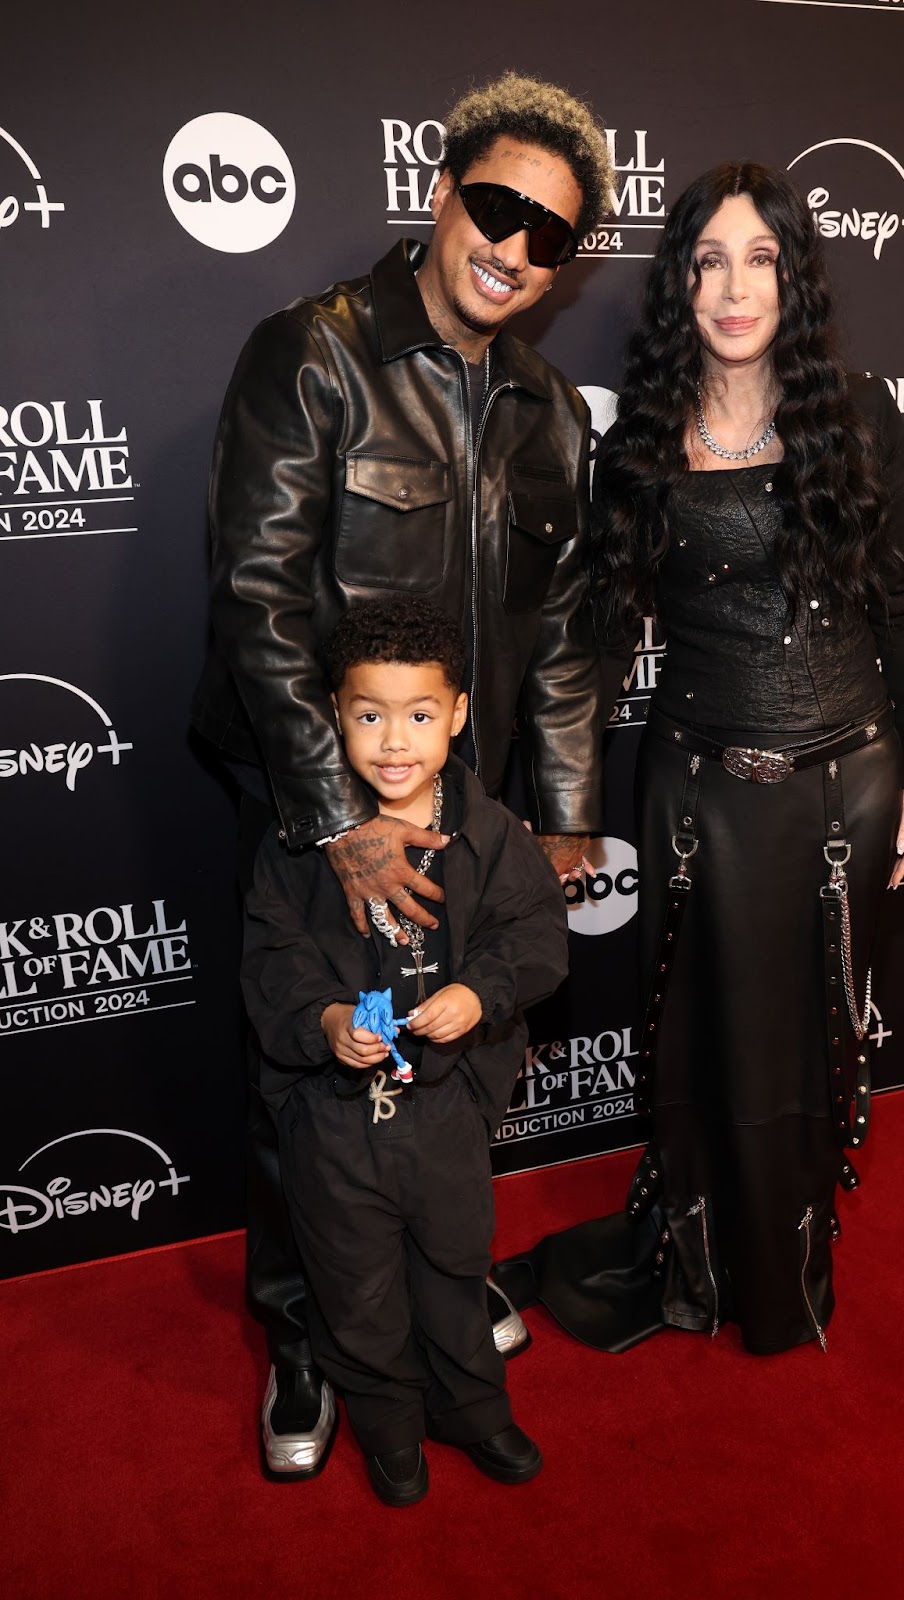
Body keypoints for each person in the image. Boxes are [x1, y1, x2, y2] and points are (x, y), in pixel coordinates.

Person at [189, 71, 616, 1478]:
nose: (513, 247)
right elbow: (255, 599)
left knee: (447, 1056)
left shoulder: (553, 411)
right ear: (438, 193)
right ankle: (308, 1332)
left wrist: (554, 812)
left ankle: (429, 1289)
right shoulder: (313, 355)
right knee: (308, 1081)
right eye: (496, 207)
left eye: (550, 237)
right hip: (318, 798)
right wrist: (331, 820)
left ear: (566, 267)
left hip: (463, 814)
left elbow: (562, 637)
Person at [502, 162, 904, 1356]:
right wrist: (561, 797)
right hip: (696, 789)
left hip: (845, 781)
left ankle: (782, 1269)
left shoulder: (854, 412)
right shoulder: (639, 440)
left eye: (760, 259)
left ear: (792, 278)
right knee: (698, 1038)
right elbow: (588, 637)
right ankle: (699, 1259)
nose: (734, 287)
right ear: (679, 285)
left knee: (808, 1038)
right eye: (708, 262)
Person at [242, 597, 569, 1505]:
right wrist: (327, 1023)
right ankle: (387, 1425)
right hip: (333, 1126)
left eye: (420, 715)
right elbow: (272, 963)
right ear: (333, 714)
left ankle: (471, 1407)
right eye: (369, 715)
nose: (394, 742)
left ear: (459, 713)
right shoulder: (296, 847)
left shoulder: (491, 832)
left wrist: (479, 992)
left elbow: (537, 935)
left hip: (447, 1114)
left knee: (457, 1270)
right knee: (357, 1291)